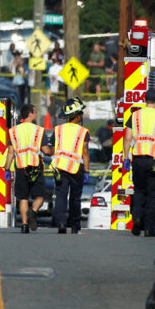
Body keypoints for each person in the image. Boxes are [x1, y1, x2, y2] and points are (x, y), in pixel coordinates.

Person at [123, 88, 155, 236]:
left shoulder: (135, 116)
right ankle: (149, 228)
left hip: (138, 159)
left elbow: (127, 138)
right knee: (153, 194)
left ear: (145, 100)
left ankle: (137, 219)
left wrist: (126, 157)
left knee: (138, 191)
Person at [4, 104, 52, 233]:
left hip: (20, 167)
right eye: (35, 112)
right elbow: (46, 150)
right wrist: (53, 151)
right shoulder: (39, 130)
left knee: (23, 197)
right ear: (30, 114)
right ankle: (33, 211)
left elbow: (10, 152)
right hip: (35, 167)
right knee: (40, 196)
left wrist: (7, 168)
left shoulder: (13, 131)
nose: (36, 114)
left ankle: (24, 225)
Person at [52, 98, 91, 234]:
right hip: (76, 168)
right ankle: (75, 226)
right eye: (81, 113)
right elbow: (85, 152)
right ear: (77, 115)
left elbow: (52, 149)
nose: (81, 116)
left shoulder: (57, 130)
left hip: (60, 166)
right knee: (75, 198)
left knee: (61, 196)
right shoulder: (83, 132)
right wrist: (86, 170)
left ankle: (61, 223)